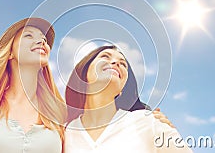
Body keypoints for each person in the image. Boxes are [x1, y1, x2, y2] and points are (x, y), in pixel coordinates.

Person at [0, 18, 66, 153]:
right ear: (10, 52)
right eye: (28, 35)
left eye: (44, 40)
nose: (42, 42)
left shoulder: (57, 111)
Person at [64, 45, 193, 153]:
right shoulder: (64, 133)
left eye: (123, 64)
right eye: (105, 57)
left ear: (122, 89)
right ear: (84, 72)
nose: (116, 63)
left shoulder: (148, 121)